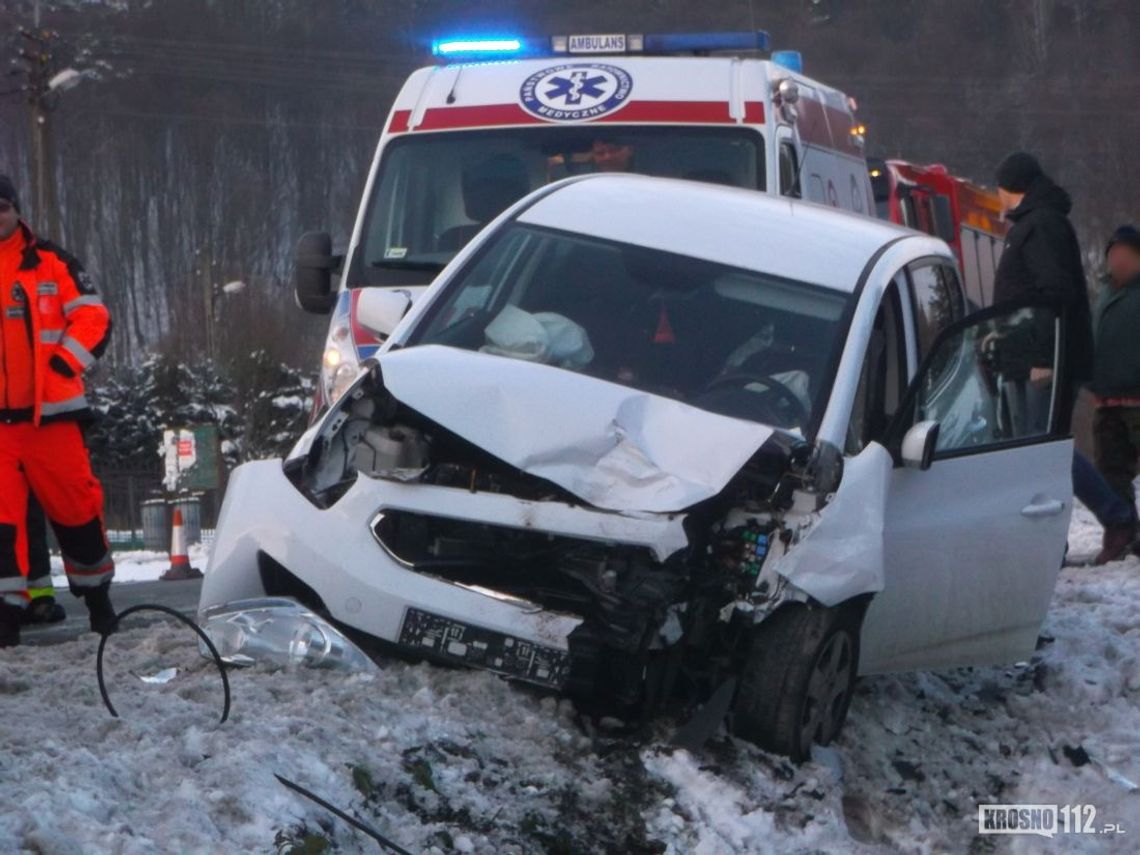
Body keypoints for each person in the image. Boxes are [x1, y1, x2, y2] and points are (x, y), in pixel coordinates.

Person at [992, 152, 1137, 564]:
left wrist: (1043, 357)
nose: (998, 194)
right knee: (1032, 451)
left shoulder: (1042, 225)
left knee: (1045, 449)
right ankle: (1048, 539)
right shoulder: (1035, 222)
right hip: (1028, 358)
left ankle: (1116, 515)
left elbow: (1053, 293)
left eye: (1000, 186)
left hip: (1045, 361)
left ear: (1013, 187)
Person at [0, 173, 117, 646]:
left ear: (16, 210)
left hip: (53, 420)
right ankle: (6, 623)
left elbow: (93, 315)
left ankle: (99, 607)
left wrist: (63, 363)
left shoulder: (50, 261)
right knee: (2, 528)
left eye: (2, 207)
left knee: (78, 512)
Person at [1090, 226, 1140, 532]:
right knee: (1111, 471)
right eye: (1114, 254)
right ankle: (1125, 532)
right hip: (1107, 400)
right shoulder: (1105, 292)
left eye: (1127, 255)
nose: (1119, 261)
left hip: (1137, 397)